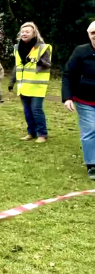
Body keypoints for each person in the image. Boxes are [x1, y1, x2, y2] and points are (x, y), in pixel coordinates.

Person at [62, 21, 95, 179]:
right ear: (89, 35)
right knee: (90, 129)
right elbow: (68, 75)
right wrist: (67, 97)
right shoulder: (81, 51)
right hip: (84, 99)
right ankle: (92, 165)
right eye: (92, 33)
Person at [10, 22, 52, 143]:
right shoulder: (17, 48)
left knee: (36, 109)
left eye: (27, 31)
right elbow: (17, 66)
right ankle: (31, 133)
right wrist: (12, 82)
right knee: (27, 110)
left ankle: (42, 134)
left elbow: (48, 65)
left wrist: (37, 61)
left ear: (34, 33)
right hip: (23, 86)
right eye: (22, 31)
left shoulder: (42, 47)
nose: (24, 33)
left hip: (37, 86)